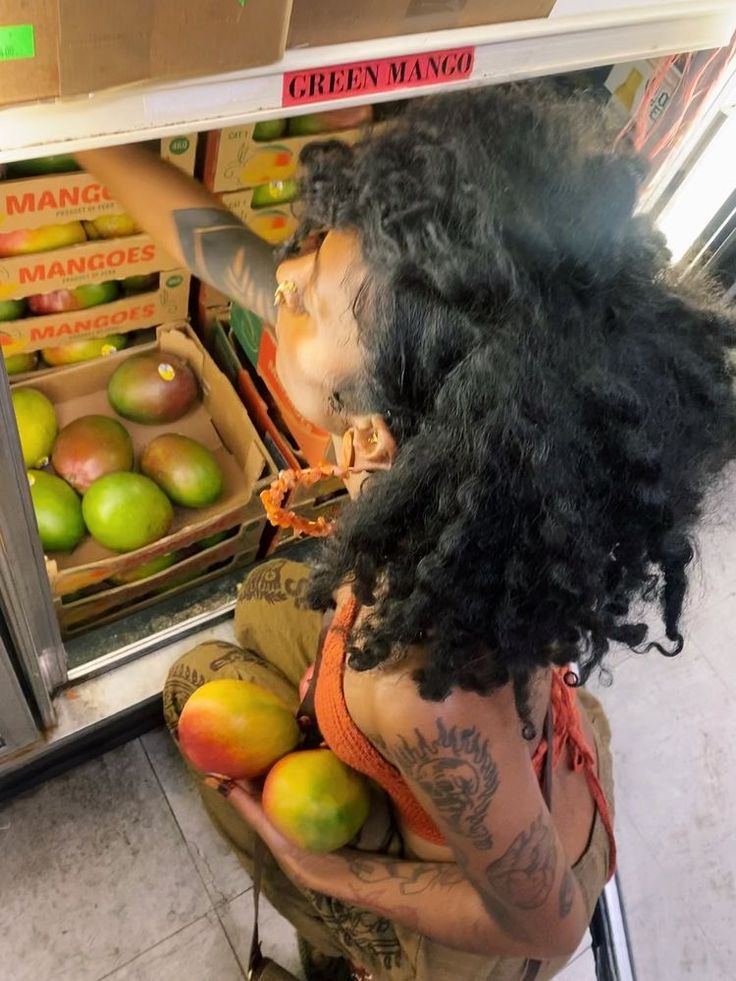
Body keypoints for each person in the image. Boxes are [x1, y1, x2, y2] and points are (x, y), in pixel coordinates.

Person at [76, 83, 736, 980]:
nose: (286, 274)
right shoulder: (464, 433)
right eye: (316, 249)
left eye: (304, 305)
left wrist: (328, 869)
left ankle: (340, 957)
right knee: (273, 593)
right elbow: (220, 244)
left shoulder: (420, 689)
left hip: (475, 925)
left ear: (380, 426)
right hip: (509, 758)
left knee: (197, 680)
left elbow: (546, 922)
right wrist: (84, 127)